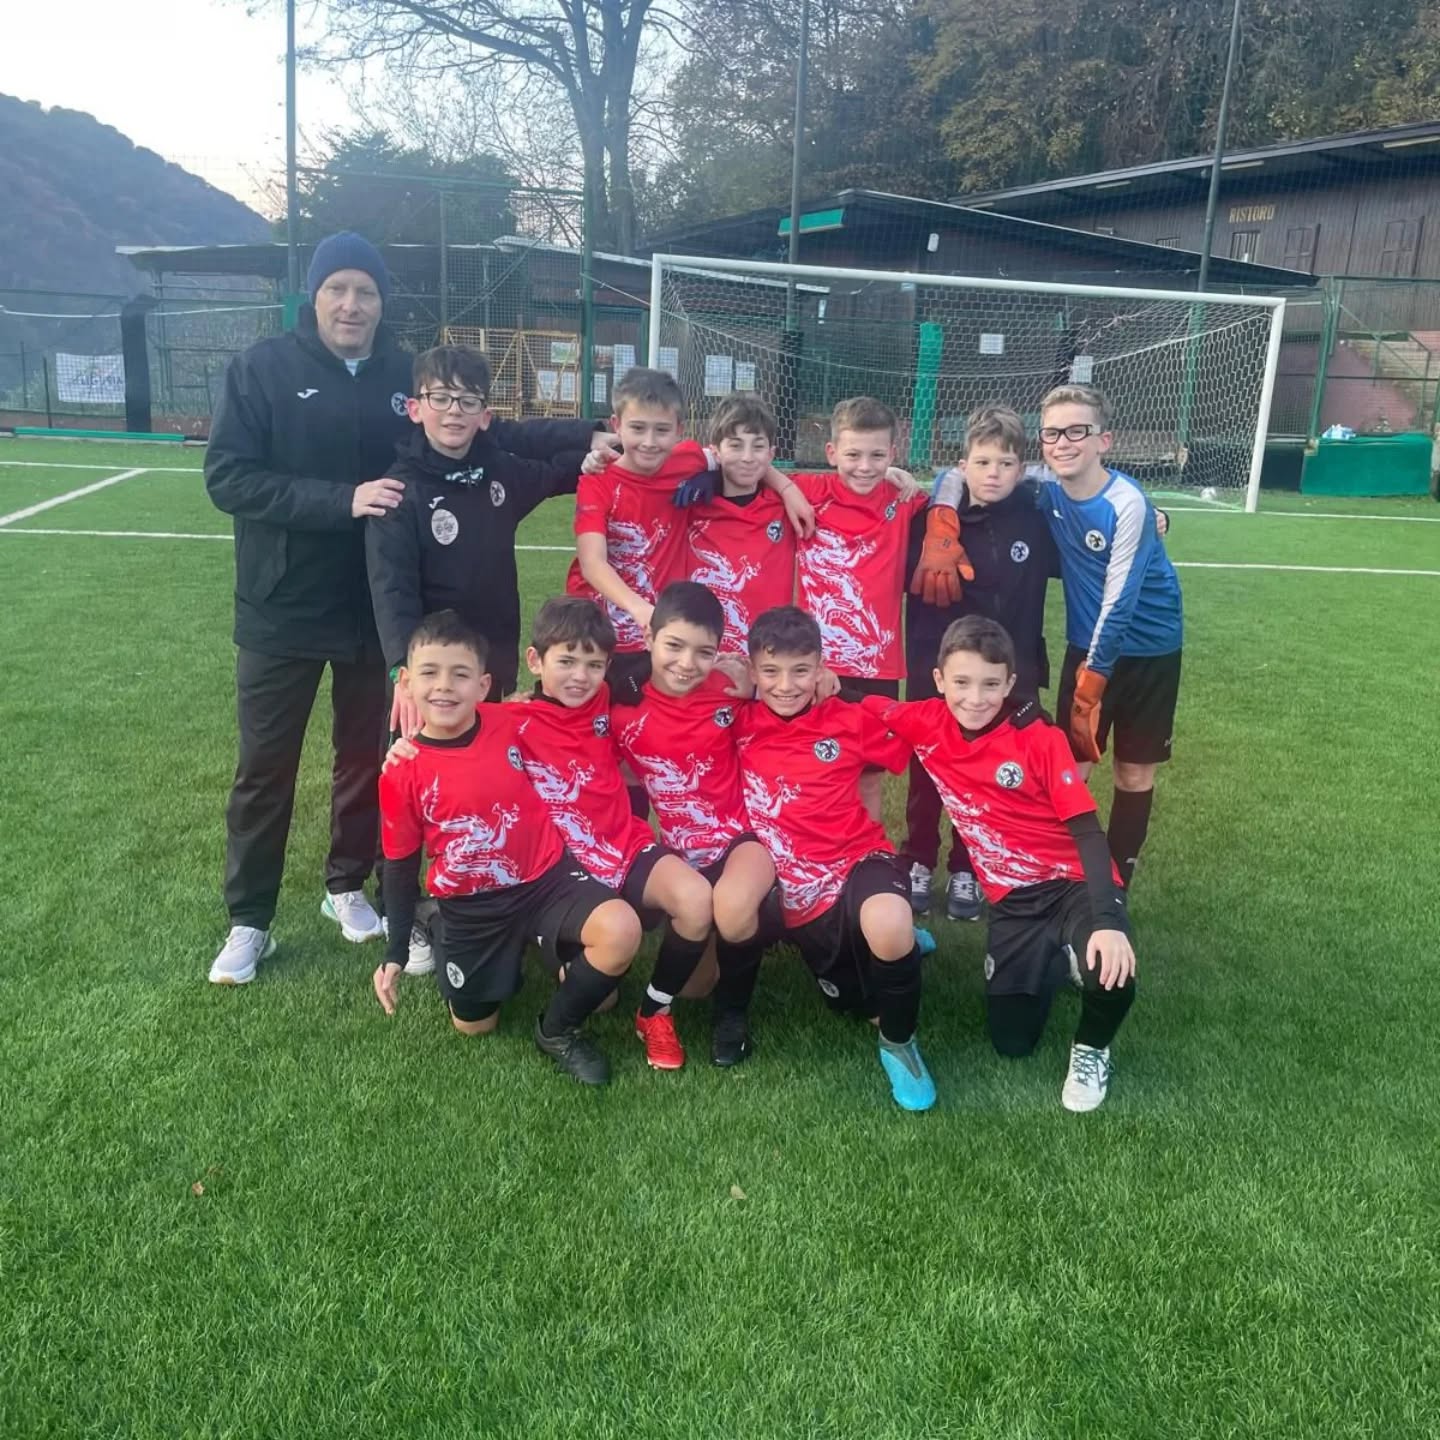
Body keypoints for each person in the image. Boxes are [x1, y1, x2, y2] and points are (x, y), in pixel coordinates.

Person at [205, 232, 605, 986]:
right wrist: (342, 500)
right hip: (283, 604)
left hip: (381, 611)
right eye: (337, 289)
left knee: (370, 757)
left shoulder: (407, 373)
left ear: (382, 302)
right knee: (266, 766)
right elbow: (227, 477)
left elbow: (502, 431)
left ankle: (345, 885)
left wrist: (597, 432)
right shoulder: (262, 369)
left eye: (366, 291)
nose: (351, 304)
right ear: (314, 295)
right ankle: (249, 919)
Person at [860, 615, 1137, 1111]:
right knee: (1012, 1041)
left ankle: (1092, 1048)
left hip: (1071, 883)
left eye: (990, 684)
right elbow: (863, 703)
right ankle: (1060, 955)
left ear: (1009, 683)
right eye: (962, 682)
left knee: (1110, 970)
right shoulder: (925, 721)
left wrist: (1109, 920)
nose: (975, 698)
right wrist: (822, 681)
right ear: (939, 680)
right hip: (1012, 901)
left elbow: (1088, 833)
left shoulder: (1040, 738)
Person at [373, 611, 641, 1086]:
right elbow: (398, 865)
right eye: (430, 673)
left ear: (483, 686)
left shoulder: (514, 719)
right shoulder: (401, 769)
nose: (445, 687)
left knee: (618, 939)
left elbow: (610, 673)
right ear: (407, 683)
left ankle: (556, 1031)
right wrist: (395, 951)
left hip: (546, 882)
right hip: (473, 905)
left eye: (460, 674)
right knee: (475, 1026)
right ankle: (439, 922)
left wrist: (722, 667)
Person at [732, 606, 935, 1113]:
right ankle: (898, 948)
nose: (786, 686)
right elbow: (680, 692)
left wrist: (854, 692)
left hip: (858, 858)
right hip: (802, 893)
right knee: (859, 1006)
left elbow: (924, 730)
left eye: (801, 670)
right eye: (771, 672)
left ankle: (900, 1045)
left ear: (821, 667)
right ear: (753, 671)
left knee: (888, 927)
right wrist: (726, 672)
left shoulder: (847, 717)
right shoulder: (736, 722)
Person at [511, 597, 718, 1071]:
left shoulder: (609, 695)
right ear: (535, 660)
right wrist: (403, 749)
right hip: (563, 873)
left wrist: (733, 668)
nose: (580, 677)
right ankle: (550, 976)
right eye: (566, 662)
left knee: (696, 899)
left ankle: (654, 1011)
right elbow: (453, 735)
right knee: (600, 997)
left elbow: (666, 662)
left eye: (593, 665)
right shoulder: (511, 721)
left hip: (625, 845)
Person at [366, 344, 591, 722]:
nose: (454, 410)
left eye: (468, 400)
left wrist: (598, 451)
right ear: (415, 409)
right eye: (440, 398)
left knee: (487, 750)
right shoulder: (399, 493)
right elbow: (392, 592)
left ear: (485, 416)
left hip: (492, 659)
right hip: (429, 672)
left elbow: (558, 471)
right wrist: (403, 670)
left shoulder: (500, 472)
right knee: (425, 756)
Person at [609, 581, 778, 1067]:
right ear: (649, 638)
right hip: (681, 852)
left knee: (733, 907)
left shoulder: (732, 689)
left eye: (704, 652)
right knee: (696, 985)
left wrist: (826, 679)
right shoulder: (621, 706)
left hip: (742, 838)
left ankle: (733, 1015)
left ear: (720, 652)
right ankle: (671, 998)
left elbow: (791, 687)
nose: (687, 663)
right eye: (675, 646)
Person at [903, 404, 1057, 922]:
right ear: (962, 465)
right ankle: (918, 858)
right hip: (937, 670)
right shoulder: (934, 521)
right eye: (983, 462)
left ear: (1023, 468)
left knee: (990, 774)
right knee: (929, 769)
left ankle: (967, 867)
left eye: (1006, 464)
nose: (994, 474)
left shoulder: (1036, 517)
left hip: (1008, 675)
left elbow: (1084, 502)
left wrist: (1154, 514)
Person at [1036, 384, 1183, 889]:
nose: (1063, 442)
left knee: (1133, 772)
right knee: (1072, 769)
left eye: (1077, 431)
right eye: (1052, 433)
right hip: (1088, 645)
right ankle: (1062, 877)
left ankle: (1116, 885)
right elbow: (969, 472)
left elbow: (1118, 603)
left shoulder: (1128, 503)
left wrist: (1093, 679)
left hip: (1150, 649)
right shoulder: (1044, 488)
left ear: (1104, 440)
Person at [567, 368, 812, 655]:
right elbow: (592, 563)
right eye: (638, 428)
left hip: (657, 634)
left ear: (679, 430)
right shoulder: (598, 481)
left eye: (661, 430)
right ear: (616, 425)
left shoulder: (688, 460)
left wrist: (786, 488)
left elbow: (740, 457)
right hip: (596, 629)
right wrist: (641, 609)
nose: (649, 442)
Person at [787, 397, 928, 819]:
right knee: (815, 770)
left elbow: (957, 485)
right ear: (831, 453)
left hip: (877, 669)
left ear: (893, 452)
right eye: (853, 455)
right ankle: (812, 851)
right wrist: (785, 489)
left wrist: (905, 478)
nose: (864, 467)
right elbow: (748, 467)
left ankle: (869, 853)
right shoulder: (809, 492)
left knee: (868, 776)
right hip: (815, 664)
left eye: (877, 456)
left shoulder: (903, 499)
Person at [682, 393, 798, 655]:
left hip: (768, 657)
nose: (747, 457)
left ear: (771, 453)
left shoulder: (788, 502)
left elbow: (850, 482)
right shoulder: (688, 503)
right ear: (715, 452)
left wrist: (890, 474)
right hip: (703, 657)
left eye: (757, 447)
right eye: (735, 446)